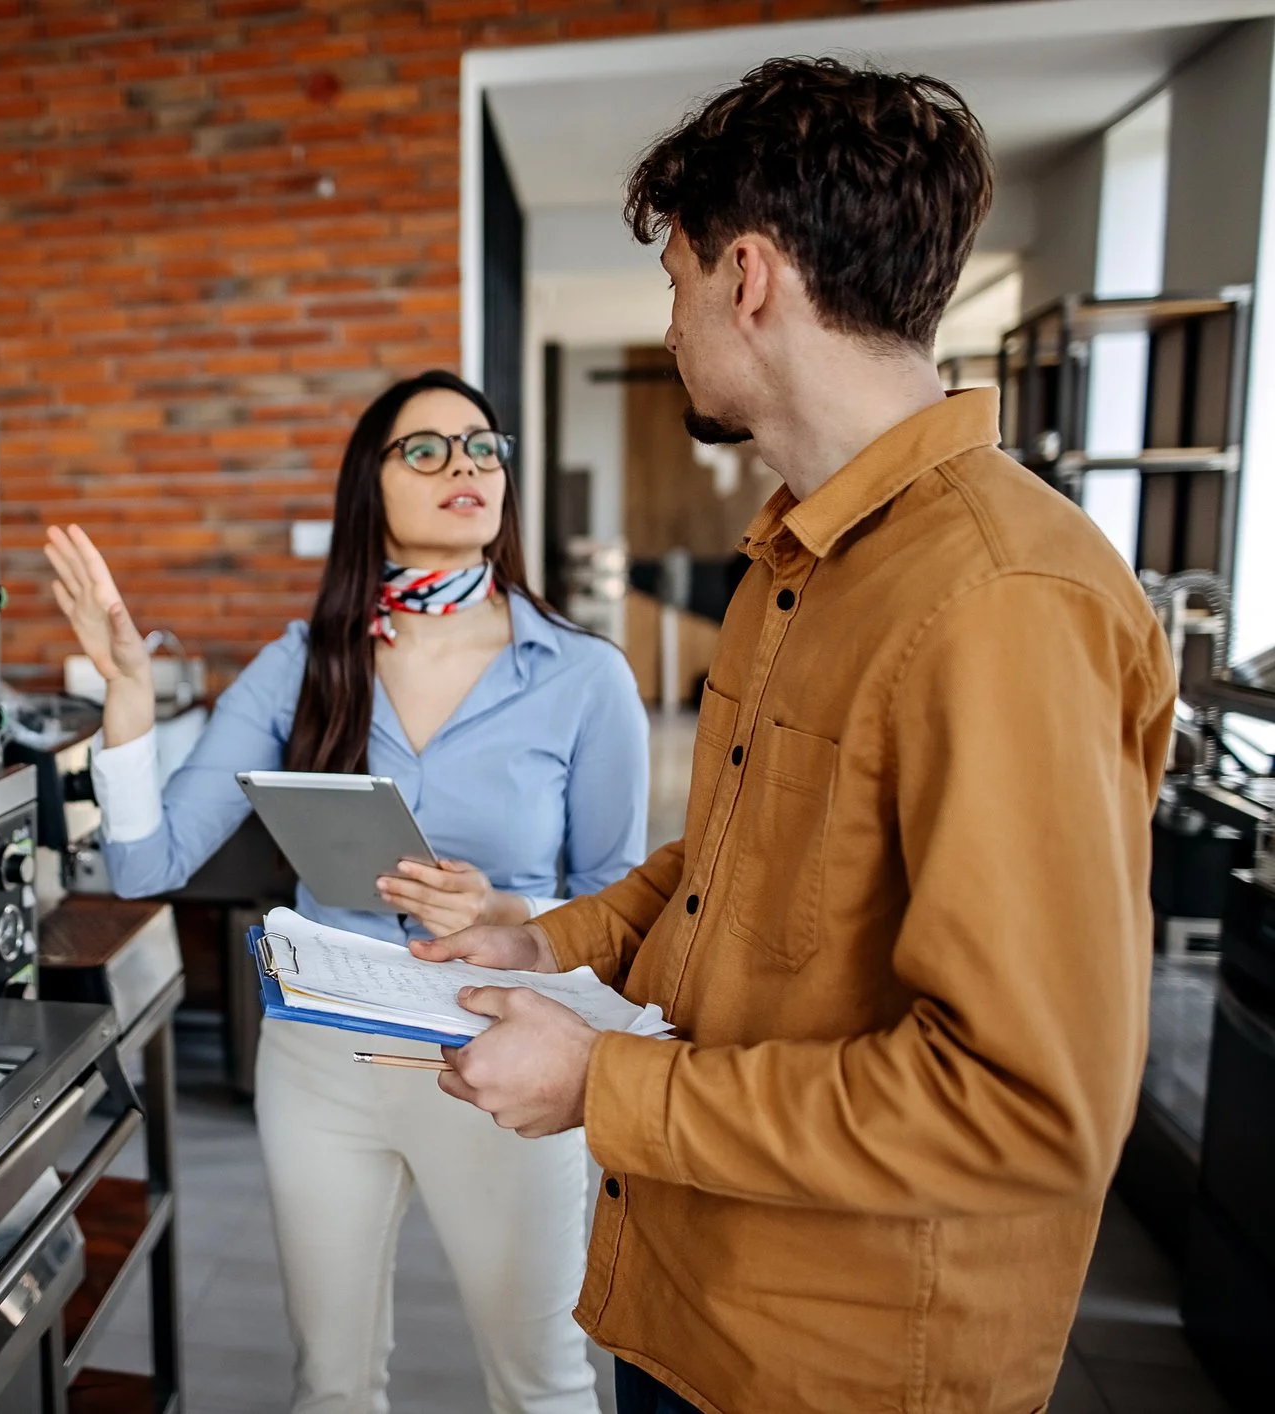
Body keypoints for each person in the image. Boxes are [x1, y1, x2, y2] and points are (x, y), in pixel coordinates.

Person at [419, 58, 1175, 1414]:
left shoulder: (1004, 596)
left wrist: (608, 1084)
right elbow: (735, 869)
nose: (672, 328)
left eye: (678, 282)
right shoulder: (800, 557)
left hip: (845, 1361)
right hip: (693, 1288)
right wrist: (551, 937)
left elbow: (1021, 1103)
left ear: (749, 277)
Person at [44, 370, 647, 1414]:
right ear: (370, 489)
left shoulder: (583, 676)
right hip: (319, 1064)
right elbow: (146, 866)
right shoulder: (301, 663)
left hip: (501, 1051)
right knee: (329, 1385)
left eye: (481, 446)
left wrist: (497, 910)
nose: (464, 464)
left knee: (539, 1382)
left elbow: (619, 908)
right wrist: (127, 702)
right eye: (425, 449)